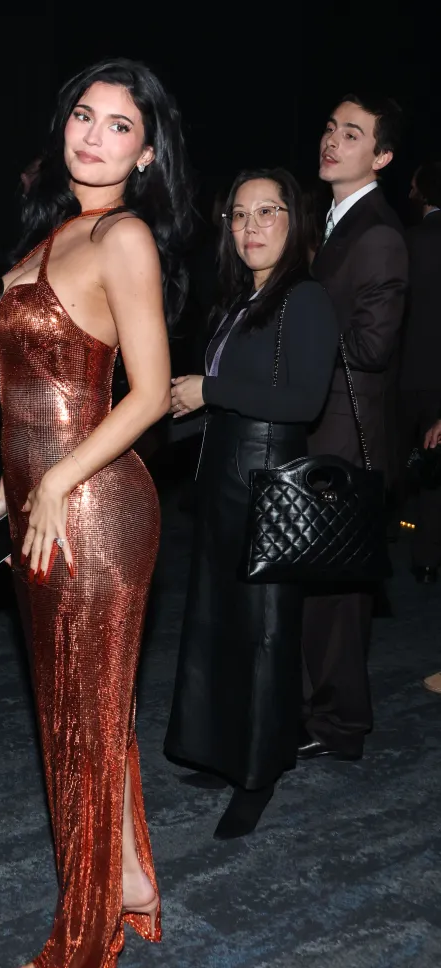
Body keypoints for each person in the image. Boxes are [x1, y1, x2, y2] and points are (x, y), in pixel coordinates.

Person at [0, 58, 192, 968]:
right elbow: (34, 393)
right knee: (85, 718)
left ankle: (82, 942)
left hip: (97, 505)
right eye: (83, 116)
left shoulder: (124, 237)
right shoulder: (53, 229)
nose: (93, 135)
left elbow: (147, 393)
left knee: (80, 725)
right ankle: (130, 877)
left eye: (118, 127)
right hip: (44, 496)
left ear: (147, 154)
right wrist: (8, 484)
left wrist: (55, 478)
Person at [163, 168, 340, 839]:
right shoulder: (242, 299)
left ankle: (258, 773)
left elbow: (302, 403)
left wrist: (209, 391)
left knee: (264, 632)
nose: (251, 227)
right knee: (217, 623)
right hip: (223, 479)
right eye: (238, 215)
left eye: (267, 212)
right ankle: (218, 750)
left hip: (269, 483)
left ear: (294, 221)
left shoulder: (305, 298)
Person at [300, 94, 408, 761]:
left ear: (382, 156)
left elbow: (371, 346)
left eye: (350, 133)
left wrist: (292, 328)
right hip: (323, 432)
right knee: (318, 591)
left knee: (335, 599)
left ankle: (337, 727)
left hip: (345, 439)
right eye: (328, 127)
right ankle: (320, 715)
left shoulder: (377, 234)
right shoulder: (339, 223)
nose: (330, 140)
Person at [397, 161, 441, 584]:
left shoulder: (407, 244)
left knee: (386, 464)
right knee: (435, 472)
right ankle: (427, 558)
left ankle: (368, 553)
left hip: (403, 371)